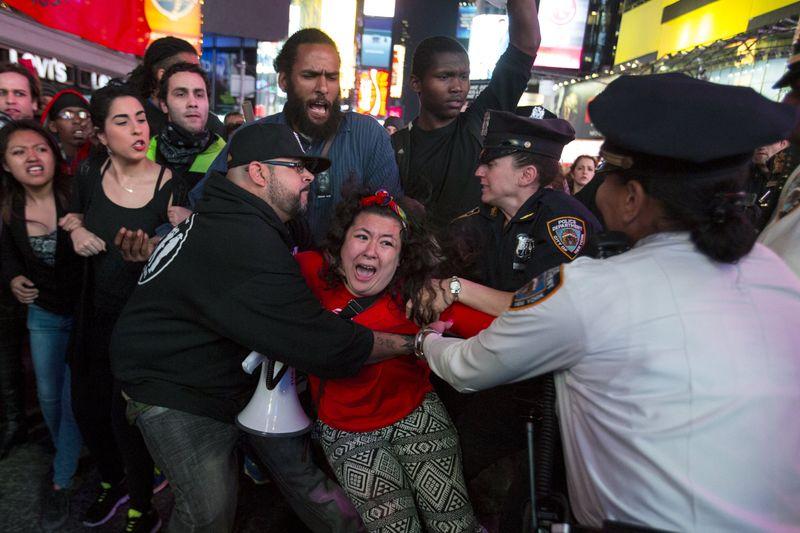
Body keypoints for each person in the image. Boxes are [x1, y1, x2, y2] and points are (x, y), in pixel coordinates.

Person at [416, 73, 800, 531]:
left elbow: (468, 368)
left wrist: (422, 342)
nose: (598, 187)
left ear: (632, 199)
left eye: (607, 173)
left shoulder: (590, 290)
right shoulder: (775, 273)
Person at [110, 122, 419, 533]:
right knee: (209, 512)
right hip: (172, 387)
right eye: (296, 167)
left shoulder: (237, 217)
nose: (309, 176)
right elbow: (322, 344)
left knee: (297, 472)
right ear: (258, 173)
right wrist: (409, 344)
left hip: (230, 377)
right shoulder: (240, 237)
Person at [297, 188, 492, 532]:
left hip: (417, 417)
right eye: (362, 236)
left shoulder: (420, 295)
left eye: (387, 243)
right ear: (341, 244)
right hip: (348, 431)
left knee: (454, 525)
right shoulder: (310, 273)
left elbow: (505, 331)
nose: (371, 250)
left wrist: (456, 289)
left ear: (401, 258)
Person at [61, 83, 172, 532]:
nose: (136, 129)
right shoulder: (90, 173)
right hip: (94, 316)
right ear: (103, 136)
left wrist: (156, 250)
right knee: (87, 408)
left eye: (141, 119)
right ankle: (112, 480)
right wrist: (74, 232)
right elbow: (73, 217)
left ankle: (140, 506)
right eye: (122, 122)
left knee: (126, 418)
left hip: (141, 326)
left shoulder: (170, 183)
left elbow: (178, 249)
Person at [194, 28, 402, 245]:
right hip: (266, 271)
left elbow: (390, 219)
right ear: (284, 81)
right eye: (309, 75)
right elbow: (203, 203)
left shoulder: (368, 136)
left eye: (331, 77)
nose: (322, 88)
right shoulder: (251, 136)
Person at [0, 120, 83, 530]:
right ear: (6, 163)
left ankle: (61, 479)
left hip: (85, 315)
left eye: (40, 148)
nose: (33, 158)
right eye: (20, 152)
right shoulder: (7, 206)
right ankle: (69, 451)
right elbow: (5, 253)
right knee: (49, 396)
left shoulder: (76, 194)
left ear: (55, 154)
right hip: (45, 315)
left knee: (70, 399)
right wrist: (14, 277)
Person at [392, 0, 541, 227]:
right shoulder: (395, 148)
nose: (458, 87)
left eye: (464, 76)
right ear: (416, 83)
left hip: (473, 261)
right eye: (444, 76)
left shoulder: (478, 121)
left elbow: (526, 45)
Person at [446, 110, 601, 291]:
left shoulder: (563, 222)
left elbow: (535, 306)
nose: (478, 172)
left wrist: (456, 289)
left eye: (490, 164)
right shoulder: (483, 218)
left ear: (526, 175)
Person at [0, 61, 40, 459]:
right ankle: (14, 423)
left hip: (44, 281)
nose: (10, 102)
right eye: (3, 93)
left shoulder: (46, 149)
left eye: (18, 93)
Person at [146, 62, 225, 209]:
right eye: (181, 94)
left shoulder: (226, 158)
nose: (192, 103)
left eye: (199, 94)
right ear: (164, 105)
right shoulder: (143, 154)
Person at [126, 36, 226, 139]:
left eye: (197, 70)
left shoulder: (212, 127)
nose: (196, 75)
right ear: (162, 75)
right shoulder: (134, 121)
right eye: (187, 69)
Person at [40, 89, 94, 178]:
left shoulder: (102, 157)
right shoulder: (45, 161)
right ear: (53, 126)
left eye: (83, 115)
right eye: (67, 115)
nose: (77, 120)